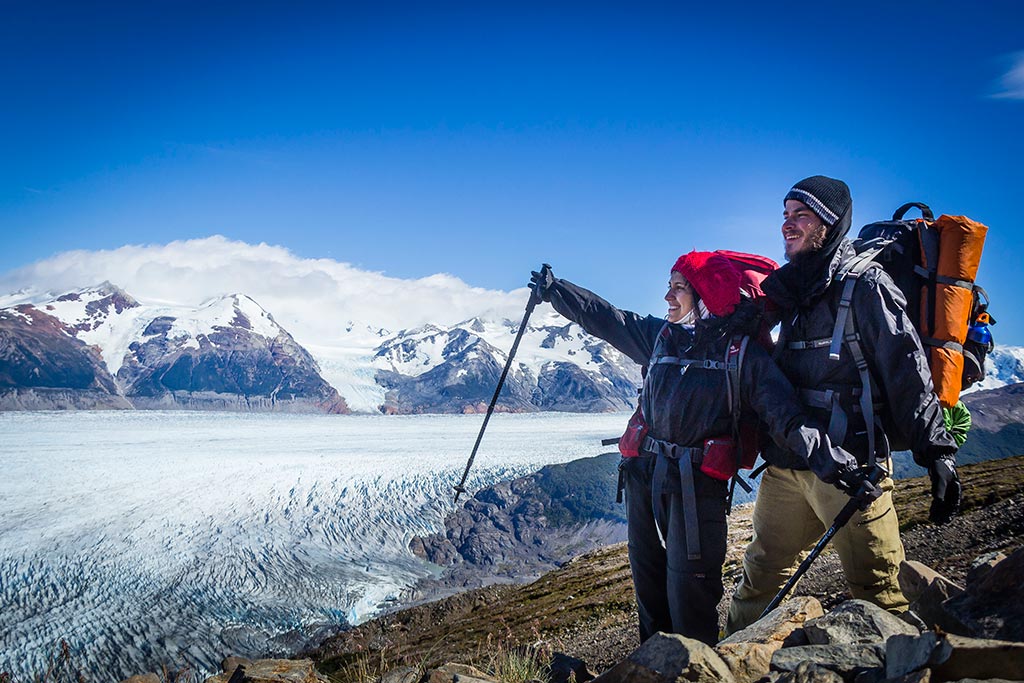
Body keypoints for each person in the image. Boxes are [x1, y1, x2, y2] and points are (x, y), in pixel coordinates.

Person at [530, 251, 857, 645]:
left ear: (707, 294)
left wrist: (833, 461)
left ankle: (696, 666)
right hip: (644, 476)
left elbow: (786, 416)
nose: (668, 296)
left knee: (690, 591)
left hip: (695, 487)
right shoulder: (660, 337)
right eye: (668, 287)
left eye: (678, 287)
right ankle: (653, 664)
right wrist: (556, 291)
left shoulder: (743, 355)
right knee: (647, 580)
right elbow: (607, 317)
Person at [725, 175, 961, 634]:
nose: (787, 226)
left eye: (802, 216)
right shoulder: (789, 289)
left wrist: (938, 451)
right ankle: (728, 665)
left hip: (854, 470)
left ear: (830, 224)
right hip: (788, 465)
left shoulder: (866, 286)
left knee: (880, 590)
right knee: (759, 581)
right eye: (786, 216)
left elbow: (906, 372)